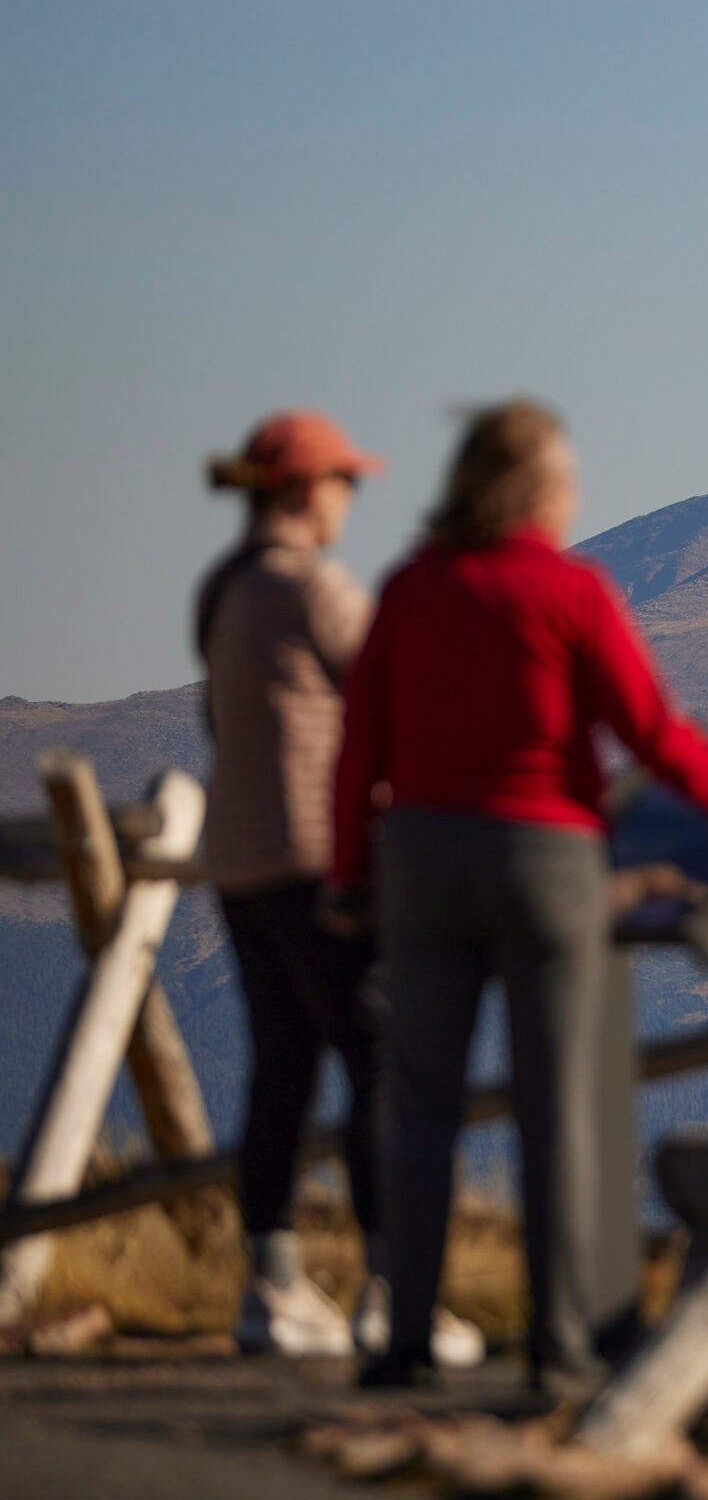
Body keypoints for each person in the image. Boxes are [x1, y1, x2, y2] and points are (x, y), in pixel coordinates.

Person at [334, 399, 708, 1389]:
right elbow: (657, 738)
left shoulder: (410, 590)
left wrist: (352, 877)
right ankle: (557, 1353)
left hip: (423, 859)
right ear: (540, 493)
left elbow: (359, 754)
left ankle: (402, 1343)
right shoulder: (569, 592)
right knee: (553, 1110)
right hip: (545, 862)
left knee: (419, 1111)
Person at [198, 412, 483, 1369]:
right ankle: (393, 1290)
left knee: (280, 1068)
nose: (349, 502)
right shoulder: (312, 587)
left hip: (238, 860)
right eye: (343, 484)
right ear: (304, 489)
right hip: (320, 854)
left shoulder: (224, 589)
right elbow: (390, 688)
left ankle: (271, 1285)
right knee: (377, 1062)